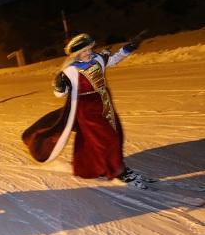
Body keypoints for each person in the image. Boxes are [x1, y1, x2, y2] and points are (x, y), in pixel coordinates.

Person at [22, 31, 152, 188]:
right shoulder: (70, 70)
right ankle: (118, 170)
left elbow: (113, 60)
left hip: (105, 102)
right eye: (84, 51)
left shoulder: (98, 59)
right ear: (76, 54)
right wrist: (59, 85)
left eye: (89, 49)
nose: (88, 53)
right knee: (108, 138)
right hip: (86, 108)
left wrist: (129, 48)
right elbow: (60, 94)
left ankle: (96, 167)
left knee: (113, 134)